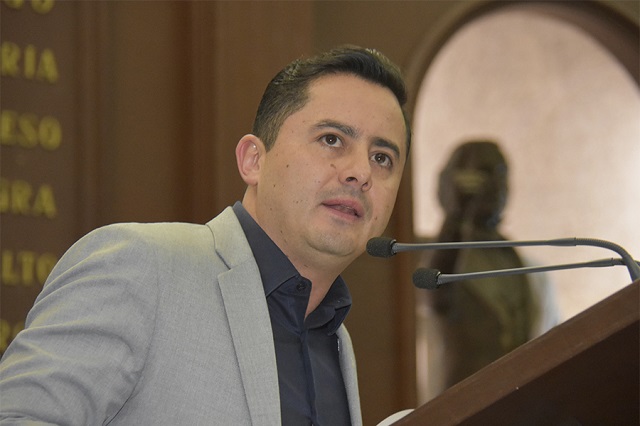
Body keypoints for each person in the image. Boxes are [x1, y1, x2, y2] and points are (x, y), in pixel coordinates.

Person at [0, 45, 411, 425]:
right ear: (253, 160)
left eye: (382, 158)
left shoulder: (335, 338)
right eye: (332, 139)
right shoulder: (141, 267)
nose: (361, 172)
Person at [417, 140, 558, 398]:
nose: (494, 185)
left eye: (499, 174)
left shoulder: (528, 269)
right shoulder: (438, 258)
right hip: (462, 406)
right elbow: (434, 291)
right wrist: (456, 217)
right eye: (479, 175)